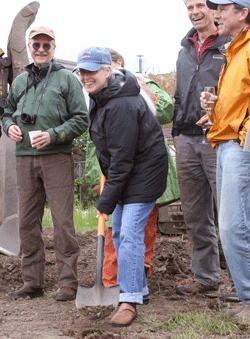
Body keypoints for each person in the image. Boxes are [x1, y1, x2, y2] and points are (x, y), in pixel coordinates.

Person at [75, 46, 168, 327]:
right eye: (82, 71)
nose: (86, 76)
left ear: (107, 70)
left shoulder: (121, 104)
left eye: (92, 70)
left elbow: (123, 159)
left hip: (144, 175)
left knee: (128, 233)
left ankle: (128, 301)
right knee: (119, 235)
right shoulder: (101, 96)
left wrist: (106, 200)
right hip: (127, 174)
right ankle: (139, 288)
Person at [1, 26, 88, 301]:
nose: (40, 49)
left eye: (46, 45)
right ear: (29, 46)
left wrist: (53, 135)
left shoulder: (67, 80)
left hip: (56, 158)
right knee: (27, 223)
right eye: (36, 45)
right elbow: (6, 113)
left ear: (54, 48)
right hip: (24, 159)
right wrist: (9, 127)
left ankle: (67, 283)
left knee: (62, 223)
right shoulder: (19, 81)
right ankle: (32, 282)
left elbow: (81, 119)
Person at [172, 0, 231, 296]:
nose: (194, 11)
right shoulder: (184, 51)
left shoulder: (230, 44)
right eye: (188, 6)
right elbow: (180, 94)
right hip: (186, 140)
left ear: (213, 9)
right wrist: (177, 132)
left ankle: (239, 280)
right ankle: (206, 277)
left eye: (199, 5)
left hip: (219, 138)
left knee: (232, 211)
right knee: (196, 214)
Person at [201, 0, 250, 322]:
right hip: (224, 141)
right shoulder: (234, 52)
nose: (217, 13)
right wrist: (214, 107)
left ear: (244, 12)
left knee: (233, 227)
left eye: (224, 7)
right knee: (236, 225)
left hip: (239, 144)